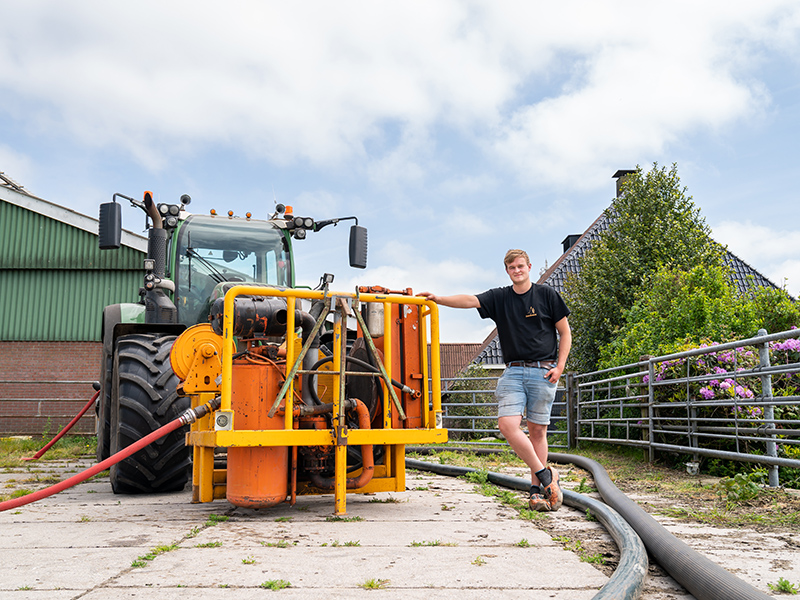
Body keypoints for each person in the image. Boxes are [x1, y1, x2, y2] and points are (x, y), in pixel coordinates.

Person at [419, 249, 571, 511]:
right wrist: (438, 299)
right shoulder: (501, 297)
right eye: (512, 267)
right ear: (507, 271)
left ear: (529, 267)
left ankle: (536, 492)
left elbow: (565, 332)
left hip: (544, 371)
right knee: (507, 425)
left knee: (537, 431)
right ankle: (547, 476)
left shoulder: (546, 295)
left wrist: (560, 366)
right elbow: (470, 300)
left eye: (520, 266)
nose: (517, 271)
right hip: (513, 371)